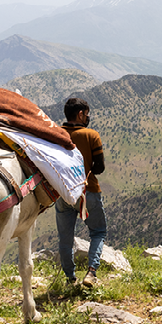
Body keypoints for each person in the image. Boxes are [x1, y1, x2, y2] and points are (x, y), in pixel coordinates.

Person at [56, 97, 108, 287]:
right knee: (98, 232)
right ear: (80, 114)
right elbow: (99, 168)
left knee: (65, 238)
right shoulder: (91, 135)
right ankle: (91, 273)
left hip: (63, 192)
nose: (87, 117)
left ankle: (70, 278)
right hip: (88, 191)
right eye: (86, 114)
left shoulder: (56, 134)